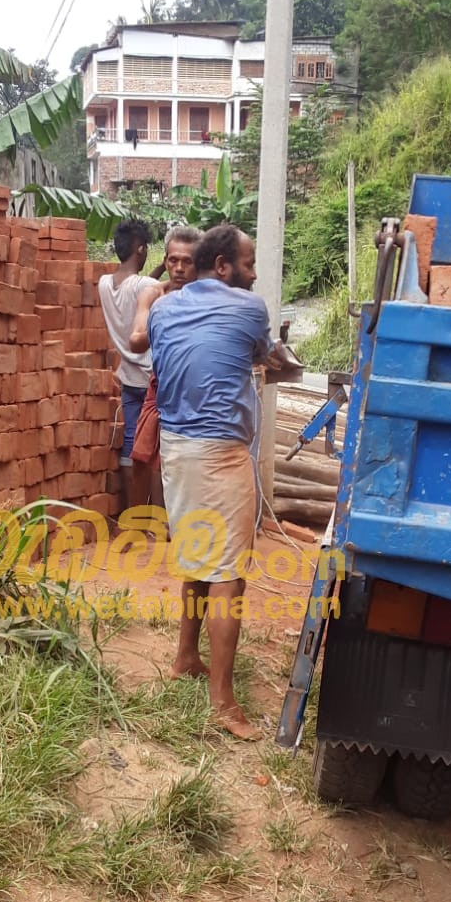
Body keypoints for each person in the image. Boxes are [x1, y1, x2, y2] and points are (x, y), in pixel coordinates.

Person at [148, 224, 288, 741]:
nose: (254, 274)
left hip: (176, 450)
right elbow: (258, 353)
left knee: (196, 558)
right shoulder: (250, 308)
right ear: (224, 265)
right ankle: (223, 702)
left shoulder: (163, 308)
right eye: (249, 264)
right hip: (221, 454)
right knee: (229, 574)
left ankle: (186, 656)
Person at [127, 226, 202, 490]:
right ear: (165, 261)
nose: (179, 268)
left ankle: (175, 527)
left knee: (184, 464)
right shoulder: (154, 295)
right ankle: (136, 526)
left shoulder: (209, 299)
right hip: (159, 385)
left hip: (197, 390)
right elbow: (136, 340)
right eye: (173, 260)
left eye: (187, 261)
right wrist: (165, 318)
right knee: (141, 456)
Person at [97, 220, 161, 511]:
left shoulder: (104, 284)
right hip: (151, 378)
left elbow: (142, 288)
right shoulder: (145, 286)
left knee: (131, 442)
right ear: (141, 249)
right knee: (156, 446)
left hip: (127, 376)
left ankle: (131, 512)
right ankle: (160, 515)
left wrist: (157, 273)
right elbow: (152, 291)